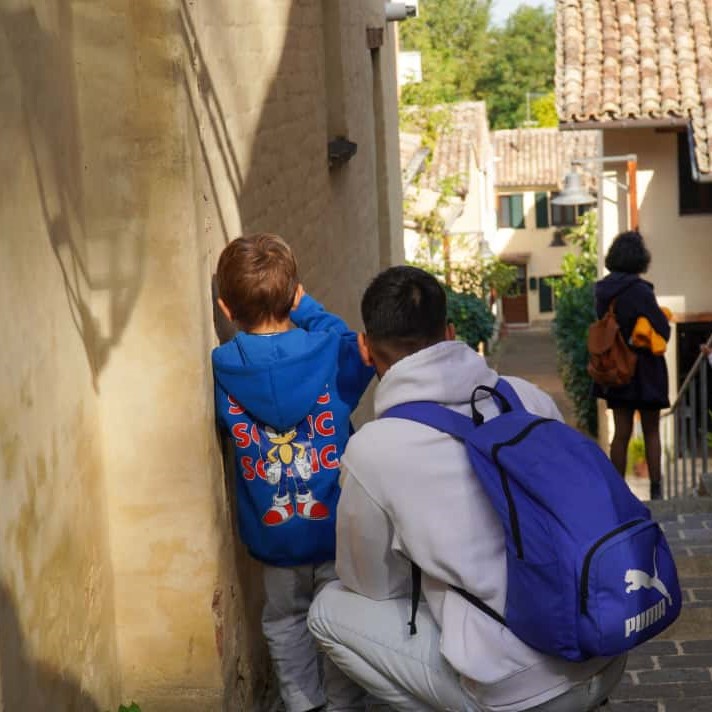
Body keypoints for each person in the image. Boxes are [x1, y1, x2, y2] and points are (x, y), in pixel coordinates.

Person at [307, 266, 627, 712]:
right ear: (451, 332)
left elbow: (374, 587)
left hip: (520, 693)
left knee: (327, 608)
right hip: (604, 653)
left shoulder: (373, 449)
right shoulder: (526, 397)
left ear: (365, 347)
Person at [212, 233, 373, 712]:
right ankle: (344, 704)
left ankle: (303, 704)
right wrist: (309, 309)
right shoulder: (329, 351)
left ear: (225, 308)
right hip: (333, 527)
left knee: (285, 621)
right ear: (294, 296)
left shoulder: (224, 369)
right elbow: (358, 345)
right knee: (341, 619)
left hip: (275, 534)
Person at [593, 231, 670, 500]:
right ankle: (656, 492)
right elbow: (662, 330)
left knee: (621, 433)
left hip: (616, 369)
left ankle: (618, 493)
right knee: (651, 431)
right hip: (646, 370)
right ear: (640, 258)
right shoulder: (641, 291)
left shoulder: (602, 292)